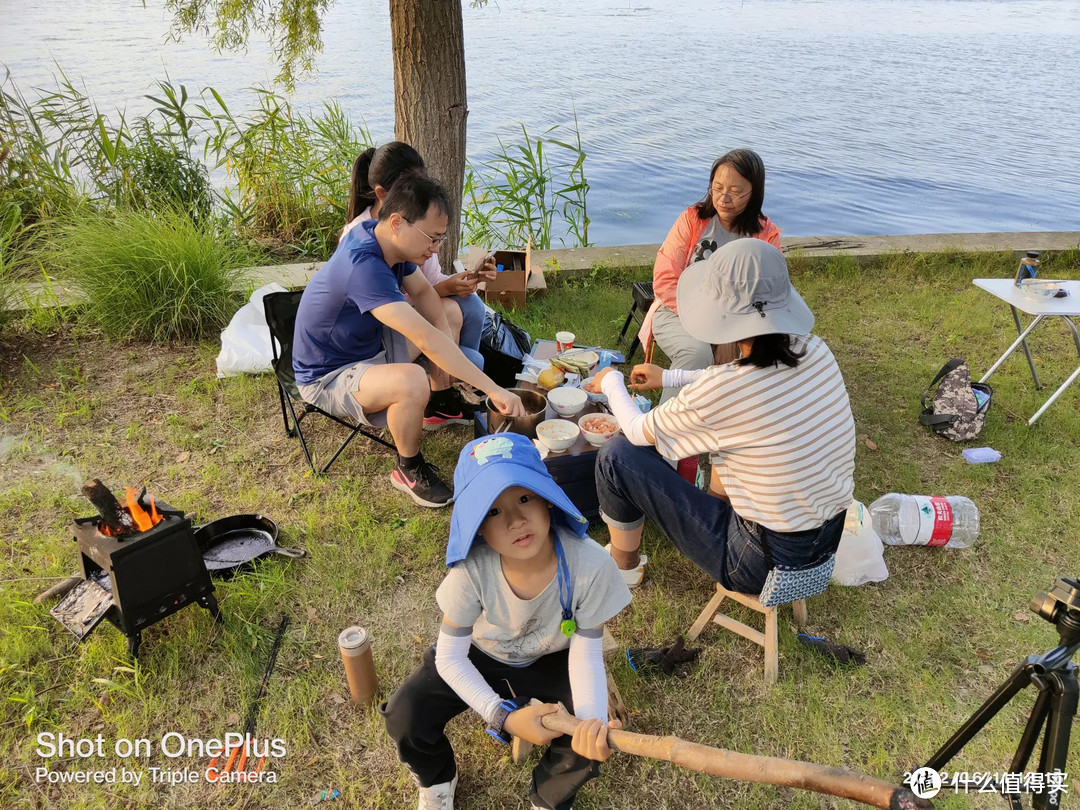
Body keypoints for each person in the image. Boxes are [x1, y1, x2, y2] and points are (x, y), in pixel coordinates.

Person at [381, 433, 632, 810]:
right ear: (477, 527)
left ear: (547, 498)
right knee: (405, 714)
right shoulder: (471, 572)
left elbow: (585, 653)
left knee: (582, 741)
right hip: (479, 654)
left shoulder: (591, 565)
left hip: (553, 656)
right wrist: (504, 717)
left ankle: (546, 800)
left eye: (525, 498)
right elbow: (450, 658)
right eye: (493, 511)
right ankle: (437, 780)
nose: (515, 520)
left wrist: (590, 724)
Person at [587, 239, 854, 592]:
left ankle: (624, 567)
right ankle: (713, 511)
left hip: (758, 564)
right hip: (824, 545)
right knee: (731, 444)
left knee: (616, 455)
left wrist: (611, 381)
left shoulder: (724, 390)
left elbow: (636, 431)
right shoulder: (817, 351)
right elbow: (745, 384)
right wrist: (670, 377)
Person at [292, 172, 524, 508]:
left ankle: (440, 406)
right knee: (413, 380)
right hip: (329, 374)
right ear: (398, 222)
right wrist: (494, 389)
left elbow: (425, 294)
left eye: (440, 240)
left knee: (451, 312)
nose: (435, 250)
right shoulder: (364, 265)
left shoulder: (381, 237)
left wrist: (446, 344)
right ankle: (408, 468)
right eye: (432, 239)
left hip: (370, 347)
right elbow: (424, 338)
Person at [642, 148, 784, 482]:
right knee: (695, 354)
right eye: (718, 187)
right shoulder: (693, 219)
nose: (725, 197)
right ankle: (662, 441)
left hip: (738, 324)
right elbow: (664, 280)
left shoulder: (766, 235)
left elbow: (771, 294)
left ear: (755, 193)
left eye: (736, 191)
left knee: (763, 359)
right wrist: (710, 330)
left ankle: (737, 447)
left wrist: (731, 333)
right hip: (677, 312)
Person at [341, 142, 492, 389]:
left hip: (406, 317)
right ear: (383, 195)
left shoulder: (410, 228)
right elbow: (393, 309)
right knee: (468, 350)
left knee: (471, 306)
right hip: (382, 334)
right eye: (411, 190)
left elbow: (425, 286)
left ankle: (456, 384)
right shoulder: (365, 242)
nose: (420, 197)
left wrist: (455, 283)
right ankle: (447, 388)